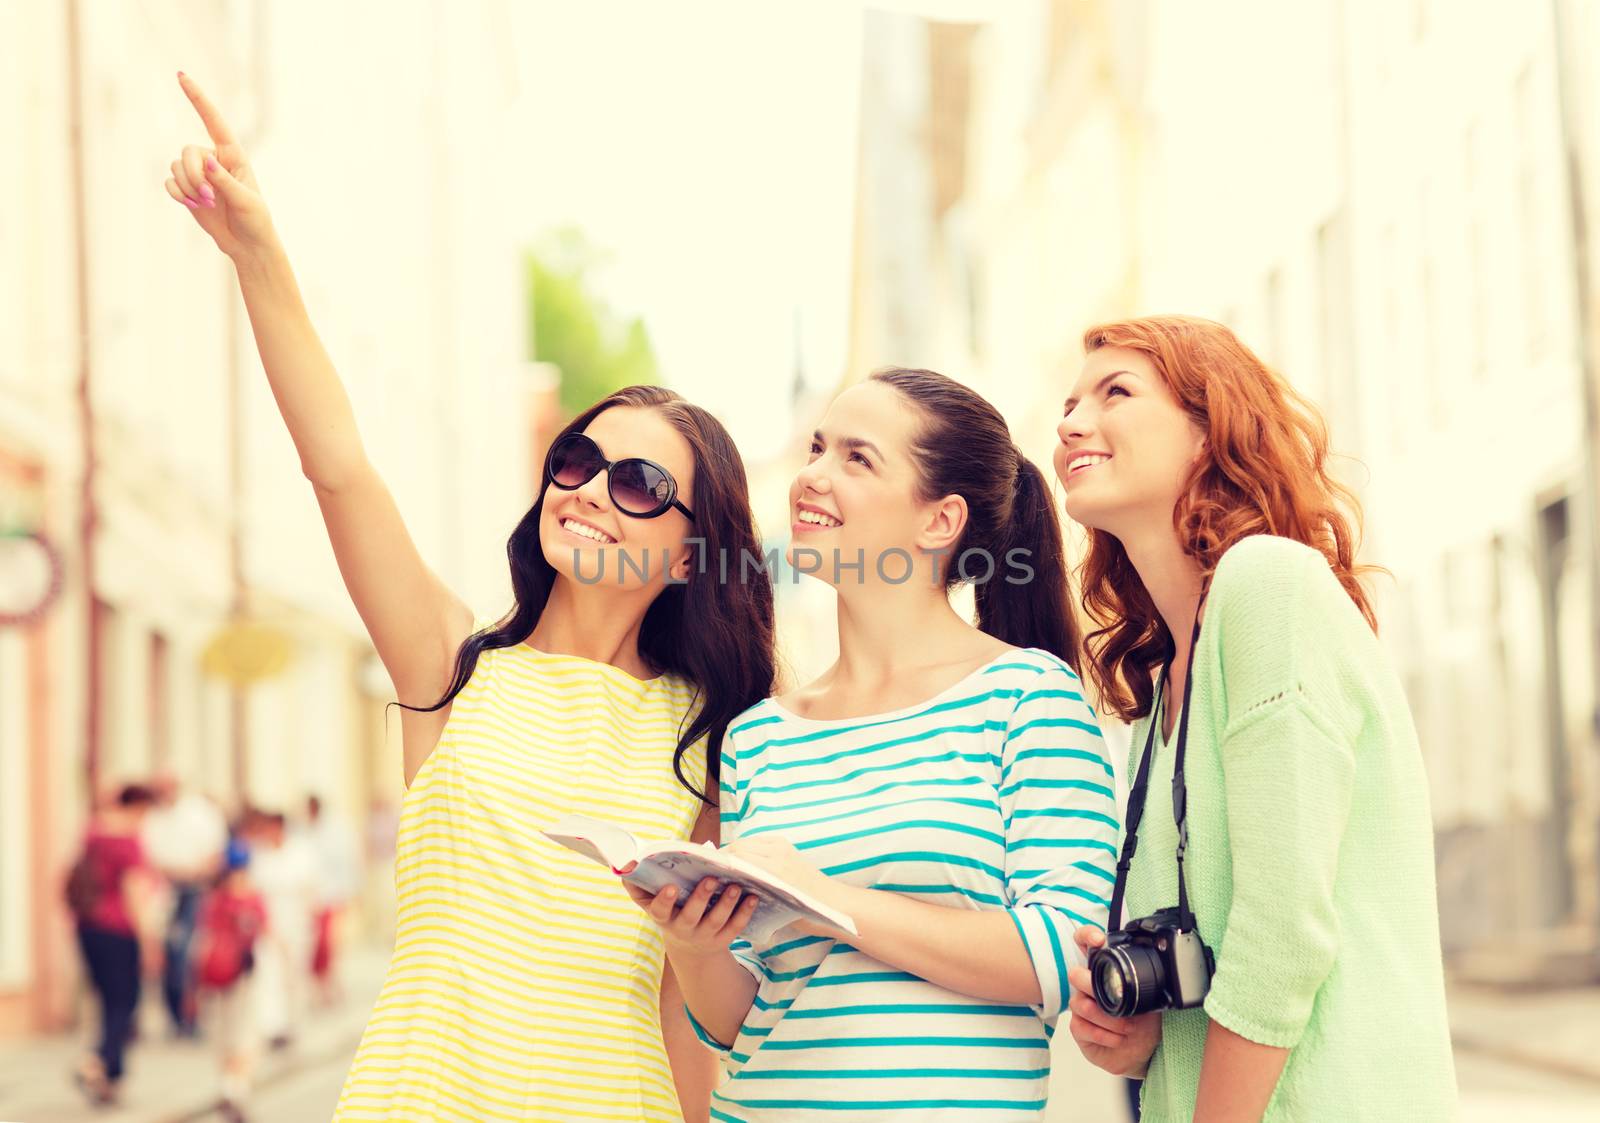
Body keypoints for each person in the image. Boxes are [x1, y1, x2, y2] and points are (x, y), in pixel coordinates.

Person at [164, 73, 776, 1121]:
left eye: (637, 484)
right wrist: (258, 258)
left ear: (690, 553)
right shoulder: (451, 661)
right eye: (578, 460)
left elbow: (693, 1007)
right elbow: (340, 468)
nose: (588, 491)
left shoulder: (715, 735)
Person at [632, 369, 1119, 1119]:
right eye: (818, 448)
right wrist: (694, 944)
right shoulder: (758, 737)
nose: (812, 477)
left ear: (939, 520)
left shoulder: (1028, 696)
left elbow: (1064, 951)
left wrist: (824, 896)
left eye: (857, 458)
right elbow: (737, 1023)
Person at [1054, 315, 1456, 1120]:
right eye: (1066, 404)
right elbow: (1216, 968)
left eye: (1115, 392)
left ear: (1210, 433)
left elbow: (1282, 939)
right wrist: (1139, 1038)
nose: (1068, 424)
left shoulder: (1269, 586)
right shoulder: (1159, 693)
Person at [65, 783, 163, 1106]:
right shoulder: (127, 841)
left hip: (87, 927)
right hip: (119, 930)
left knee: (107, 1001)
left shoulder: (93, 832)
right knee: (125, 1002)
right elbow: (134, 893)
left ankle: (109, 1081)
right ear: (139, 807)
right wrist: (149, 942)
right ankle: (95, 1062)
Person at [142, 774, 228, 1037]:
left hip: (195, 890)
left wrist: (197, 872)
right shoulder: (152, 819)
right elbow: (146, 858)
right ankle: (175, 1015)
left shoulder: (199, 814)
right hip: (163, 892)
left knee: (191, 955)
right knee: (169, 954)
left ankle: (192, 1016)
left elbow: (216, 853)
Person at [195, 838, 268, 1122]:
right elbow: (265, 932)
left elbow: (203, 942)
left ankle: (226, 1084)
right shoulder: (252, 899)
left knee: (223, 1033)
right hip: (243, 974)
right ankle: (235, 1089)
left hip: (216, 977)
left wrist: (197, 982)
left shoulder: (214, 900)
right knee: (245, 1033)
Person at [302, 794, 360, 1006]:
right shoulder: (305, 832)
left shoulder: (336, 832)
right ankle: (322, 986)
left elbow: (347, 863)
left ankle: (332, 984)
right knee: (317, 946)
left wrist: (351, 891)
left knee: (331, 943)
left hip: (334, 895)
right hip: (314, 898)